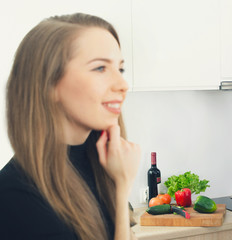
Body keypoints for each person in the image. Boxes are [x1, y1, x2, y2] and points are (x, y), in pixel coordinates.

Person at [0, 13, 140, 240]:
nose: (123, 84)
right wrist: (123, 186)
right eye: (100, 69)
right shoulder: (15, 195)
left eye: (120, 69)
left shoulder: (102, 167)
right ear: (49, 84)